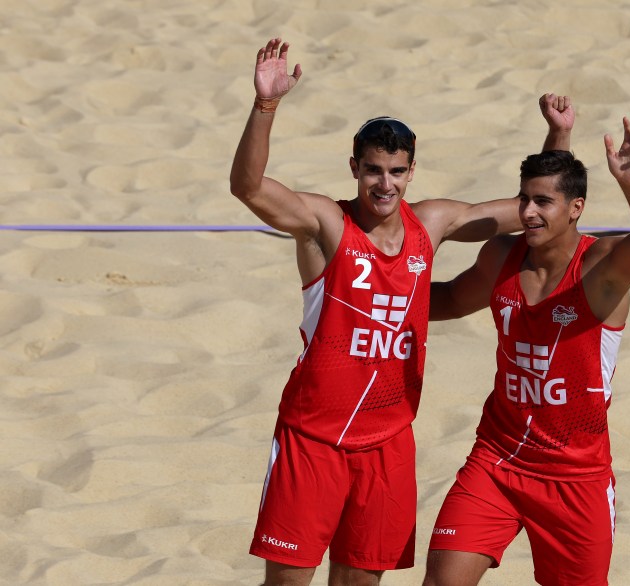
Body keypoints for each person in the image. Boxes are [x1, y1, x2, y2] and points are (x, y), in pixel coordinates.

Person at [229, 37, 575, 586]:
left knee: (360, 581)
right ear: (354, 169)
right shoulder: (326, 225)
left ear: (411, 172)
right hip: (314, 437)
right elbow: (247, 187)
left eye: (395, 171)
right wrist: (265, 106)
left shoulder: (430, 224)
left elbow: (532, 210)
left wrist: (558, 137)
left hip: (390, 440)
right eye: (372, 171)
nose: (383, 184)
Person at [422, 118, 630, 586]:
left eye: (543, 202)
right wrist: (382, 296)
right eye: (524, 199)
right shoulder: (502, 256)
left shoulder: (600, 268)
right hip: (497, 460)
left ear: (576, 208)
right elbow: (453, 299)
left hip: (574, 478)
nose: (529, 212)